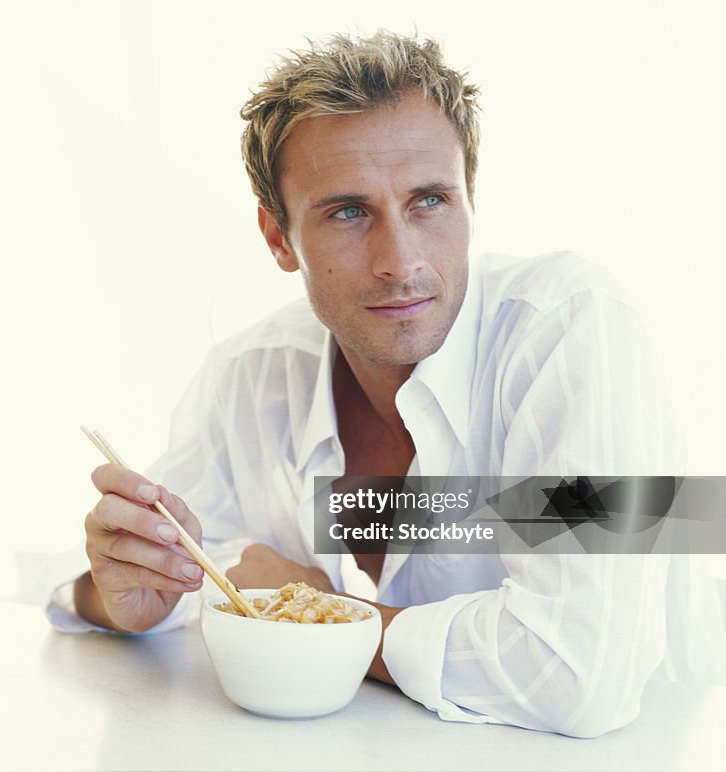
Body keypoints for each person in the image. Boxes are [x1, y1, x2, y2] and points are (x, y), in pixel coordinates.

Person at [45, 30, 724, 737]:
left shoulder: (569, 330)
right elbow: (137, 575)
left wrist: (319, 615)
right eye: (347, 212)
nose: (399, 262)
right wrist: (118, 599)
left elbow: (576, 675)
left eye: (430, 200)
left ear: (469, 199)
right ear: (278, 238)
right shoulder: (252, 376)